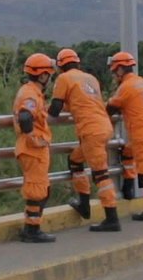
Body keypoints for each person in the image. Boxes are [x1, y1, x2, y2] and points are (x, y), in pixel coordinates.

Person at [50, 48, 121, 232]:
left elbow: (55, 109)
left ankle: (112, 219)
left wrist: (42, 110)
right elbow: (82, 101)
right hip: (103, 126)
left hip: (91, 130)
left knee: (101, 175)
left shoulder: (63, 79)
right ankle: (83, 203)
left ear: (60, 66)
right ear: (77, 63)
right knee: (75, 160)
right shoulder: (90, 78)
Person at [106, 51, 143, 220]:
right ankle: (129, 185)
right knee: (128, 151)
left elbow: (111, 107)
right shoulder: (142, 82)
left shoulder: (126, 87)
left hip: (141, 133)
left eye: (115, 71)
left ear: (121, 69)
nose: (115, 75)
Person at [13, 53, 57, 243]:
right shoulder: (31, 94)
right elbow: (25, 117)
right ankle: (31, 230)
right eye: (48, 74)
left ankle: (32, 227)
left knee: (42, 189)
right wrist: (33, 139)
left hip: (35, 149)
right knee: (36, 190)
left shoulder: (32, 92)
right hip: (33, 150)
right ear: (42, 76)